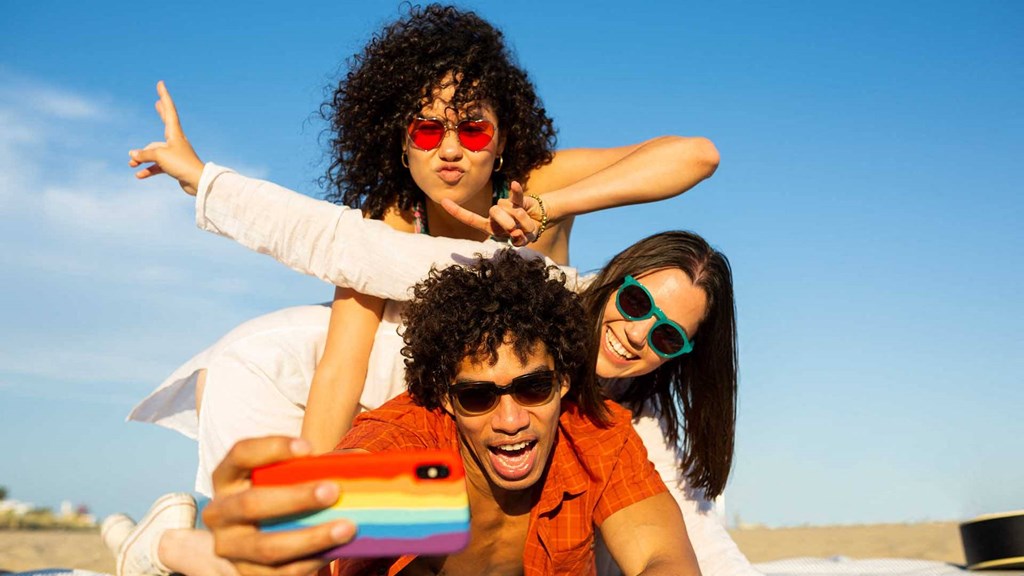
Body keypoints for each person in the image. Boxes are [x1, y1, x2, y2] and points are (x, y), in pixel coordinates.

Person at [202, 250, 702, 576]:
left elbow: (665, 559)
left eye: (533, 387)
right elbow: (313, 530)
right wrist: (277, 534)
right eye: (478, 396)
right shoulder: (412, 445)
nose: (509, 420)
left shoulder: (594, 435)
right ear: (445, 396)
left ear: (564, 380)